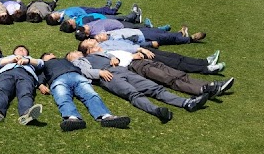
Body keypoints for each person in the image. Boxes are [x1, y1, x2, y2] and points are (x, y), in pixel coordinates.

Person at [67, 50, 209, 124]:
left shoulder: (94, 53)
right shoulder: (78, 61)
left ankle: (186, 103)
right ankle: (157, 111)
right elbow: (85, 71)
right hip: (108, 76)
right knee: (133, 94)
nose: (76, 51)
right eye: (73, 52)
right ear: (71, 57)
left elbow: (108, 54)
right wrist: (99, 72)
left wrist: (112, 57)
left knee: (154, 88)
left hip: (121, 70)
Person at [78, 39, 234, 99]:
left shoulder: (105, 51)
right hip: (136, 67)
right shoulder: (97, 57)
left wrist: (136, 52)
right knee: (169, 79)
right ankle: (202, 89)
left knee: (177, 73)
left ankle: (213, 86)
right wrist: (130, 57)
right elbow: (116, 64)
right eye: (90, 42)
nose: (93, 40)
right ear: (89, 50)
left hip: (142, 61)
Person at [37, 52, 131, 132]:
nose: (51, 54)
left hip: (76, 76)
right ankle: (72, 118)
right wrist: (41, 84)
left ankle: (106, 116)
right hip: (58, 79)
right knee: (62, 97)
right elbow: (40, 76)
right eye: (48, 54)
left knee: (90, 94)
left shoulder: (65, 60)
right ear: (43, 59)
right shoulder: (44, 65)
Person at [93, 32, 226, 75]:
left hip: (142, 50)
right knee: (174, 63)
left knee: (175, 56)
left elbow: (127, 44)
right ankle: (206, 69)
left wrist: (143, 47)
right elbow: (124, 51)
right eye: (89, 41)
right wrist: (141, 50)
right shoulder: (103, 48)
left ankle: (205, 61)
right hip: (141, 55)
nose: (93, 38)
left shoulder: (109, 41)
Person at [0, 45, 44, 125]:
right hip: (7, 73)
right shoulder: (8, 57)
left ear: (27, 53)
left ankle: (26, 114)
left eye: (23, 50)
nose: (21, 50)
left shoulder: (30, 59)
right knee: (2, 90)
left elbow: (41, 63)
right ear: (14, 52)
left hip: (25, 74)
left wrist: (27, 60)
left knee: (26, 93)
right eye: (19, 49)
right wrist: (11, 60)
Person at [75, 21, 205, 44]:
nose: (98, 35)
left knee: (159, 32)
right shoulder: (109, 40)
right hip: (141, 36)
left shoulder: (108, 35)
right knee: (166, 37)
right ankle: (190, 39)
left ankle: (180, 33)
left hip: (138, 30)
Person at [45, 0, 124, 26]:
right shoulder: (66, 18)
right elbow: (76, 19)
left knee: (98, 10)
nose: (56, 13)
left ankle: (107, 7)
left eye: (54, 13)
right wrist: (84, 15)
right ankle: (113, 10)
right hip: (84, 12)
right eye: (55, 15)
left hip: (80, 8)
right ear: (57, 20)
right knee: (98, 11)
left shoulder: (59, 12)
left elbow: (52, 12)